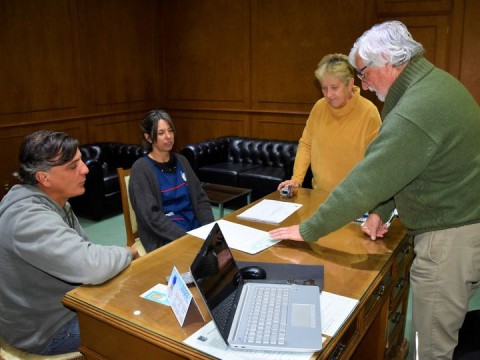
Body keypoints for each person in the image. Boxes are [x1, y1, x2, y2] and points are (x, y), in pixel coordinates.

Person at [269, 20, 480, 359]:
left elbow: (367, 179)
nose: (364, 85)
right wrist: (383, 211)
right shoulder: (432, 85)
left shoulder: (416, 108)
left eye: (364, 74)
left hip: (449, 239)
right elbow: (410, 167)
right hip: (464, 227)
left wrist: (308, 228)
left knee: (432, 349)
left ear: (388, 61)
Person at [0, 131, 138, 355]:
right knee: (141, 329)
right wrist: (125, 252)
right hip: (46, 331)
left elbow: (84, 250)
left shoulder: (54, 201)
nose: (85, 169)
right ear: (44, 178)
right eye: (73, 166)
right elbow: (91, 266)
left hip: (64, 306)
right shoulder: (27, 218)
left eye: (81, 160)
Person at [277, 53, 381, 194]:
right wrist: (296, 179)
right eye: (324, 88)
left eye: (334, 88)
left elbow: (376, 160)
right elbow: (306, 145)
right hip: (320, 195)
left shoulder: (369, 112)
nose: (329, 94)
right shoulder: (319, 107)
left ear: (350, 83)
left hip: (355, 198)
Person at [129, 109, 214, 253]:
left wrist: (209, 229)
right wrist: (186, 238)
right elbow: (151, 217)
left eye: (170, 131)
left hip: (195, 230)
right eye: (161, 133)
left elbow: (200, 199)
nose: (168, 136)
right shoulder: (141, 169)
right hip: (165, 237)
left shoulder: (182, 161)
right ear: (148, 137)